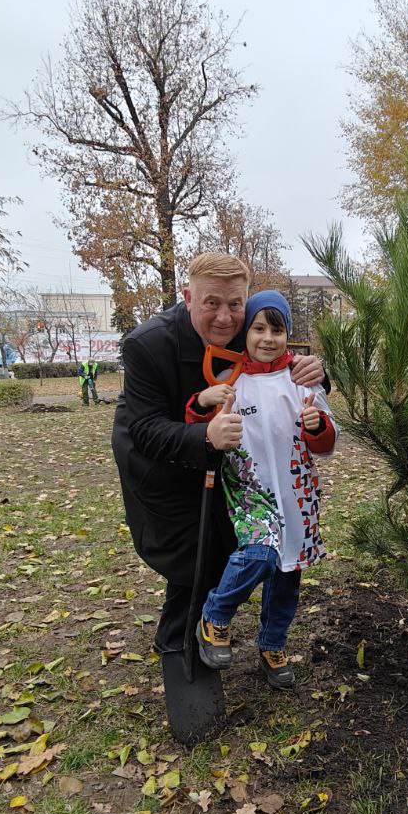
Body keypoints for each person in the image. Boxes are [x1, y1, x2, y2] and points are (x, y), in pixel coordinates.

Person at [110, 253, 325, 657]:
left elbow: (277, 359)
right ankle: (178, 643)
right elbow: (145, 429)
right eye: (211, 303)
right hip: (158, 462)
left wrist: (315, 372)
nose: (225, 318)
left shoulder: (245, 326)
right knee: (192, 554)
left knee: (229, 545)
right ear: (188, 297)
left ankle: (204, 635)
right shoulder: (147, 345)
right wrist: (204, 436)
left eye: (235, 304)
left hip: (228, 464)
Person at [185, 290, 337, 689]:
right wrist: (201, 403)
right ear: (246, 333)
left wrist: (318, 427)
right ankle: (215, 615)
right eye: (258, 329)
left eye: (277, 330)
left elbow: (326, 443)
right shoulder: (229, 381)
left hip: (297, 492)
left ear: (288, 334)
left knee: (288, 575)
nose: (268, 338)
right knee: (262, 553)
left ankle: (272, 646)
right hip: (250, 490)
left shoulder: (301, 382)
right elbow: (197, 427)